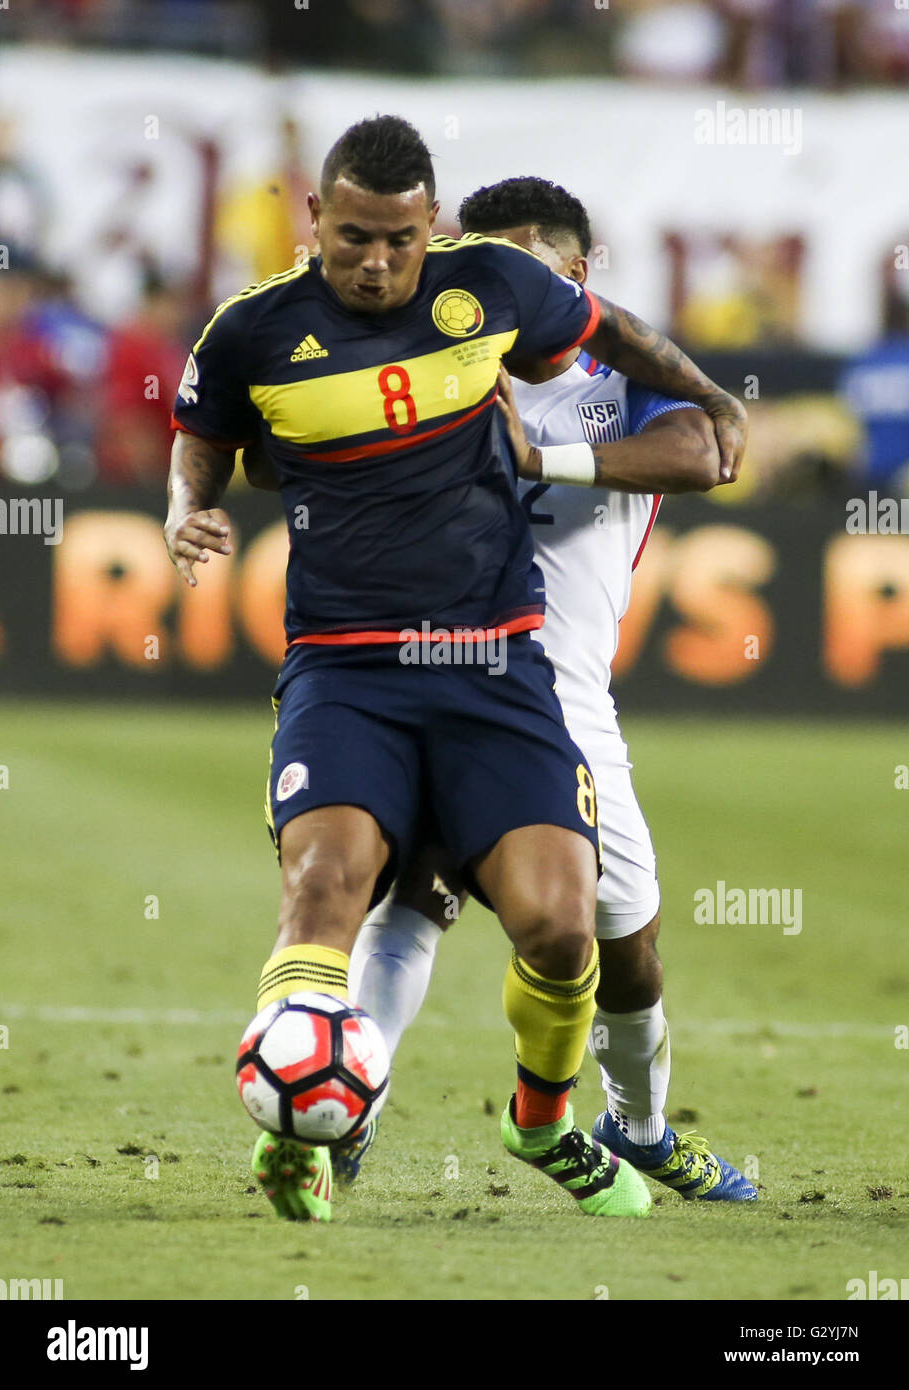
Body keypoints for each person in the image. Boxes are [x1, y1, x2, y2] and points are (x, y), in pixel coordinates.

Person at [165, 116, 746, 1223]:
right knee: (354, 896)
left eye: (397, 240)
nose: (375, 263)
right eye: (351, 240)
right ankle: (318, 1125)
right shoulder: (259, 331)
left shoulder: (513, 317)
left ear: (433, 229)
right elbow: (208, 427)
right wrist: (188, 507)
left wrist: (704, 400)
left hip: (516, 676)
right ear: (315, 222)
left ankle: (576, 1120)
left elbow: (664, 395)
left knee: (586, 931)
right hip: (352, 670)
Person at [346, 177, 756, 1203]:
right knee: (415, 888)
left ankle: (641, 1127)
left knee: (627, 944)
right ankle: (351, 1099)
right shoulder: (433, 368)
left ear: (575, 275)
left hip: (565, 699)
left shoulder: (618, 386)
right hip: (431, 668)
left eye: (520, 263)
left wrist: (543, 456)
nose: (494, 285)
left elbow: (705, 453)